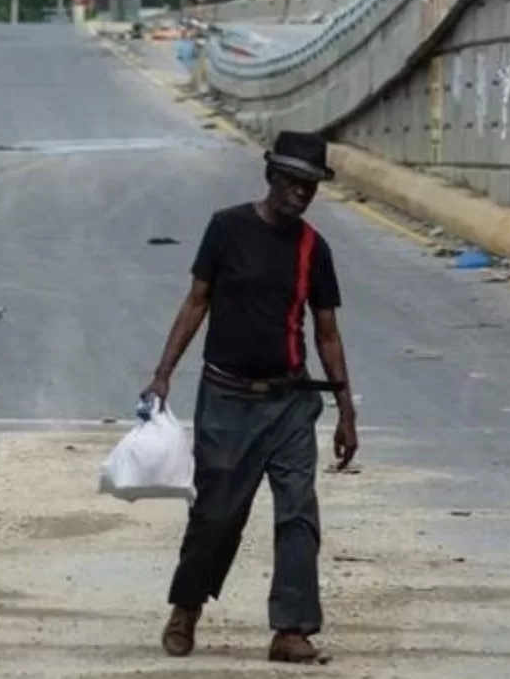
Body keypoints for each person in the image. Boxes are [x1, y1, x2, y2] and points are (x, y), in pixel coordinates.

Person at [141, 131, 359, 664]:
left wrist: (346, 411)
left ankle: (291, 629)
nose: (300, 194)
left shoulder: (314, 249)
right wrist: (163, 373)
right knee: (216, 516)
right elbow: (196, 302)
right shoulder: (226, 229)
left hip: (289, 403)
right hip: (226, 400)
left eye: (309, 186)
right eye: (291, 182)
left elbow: (327, 334)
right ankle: (186, 609)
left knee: (298, 513)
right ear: (271, 177)